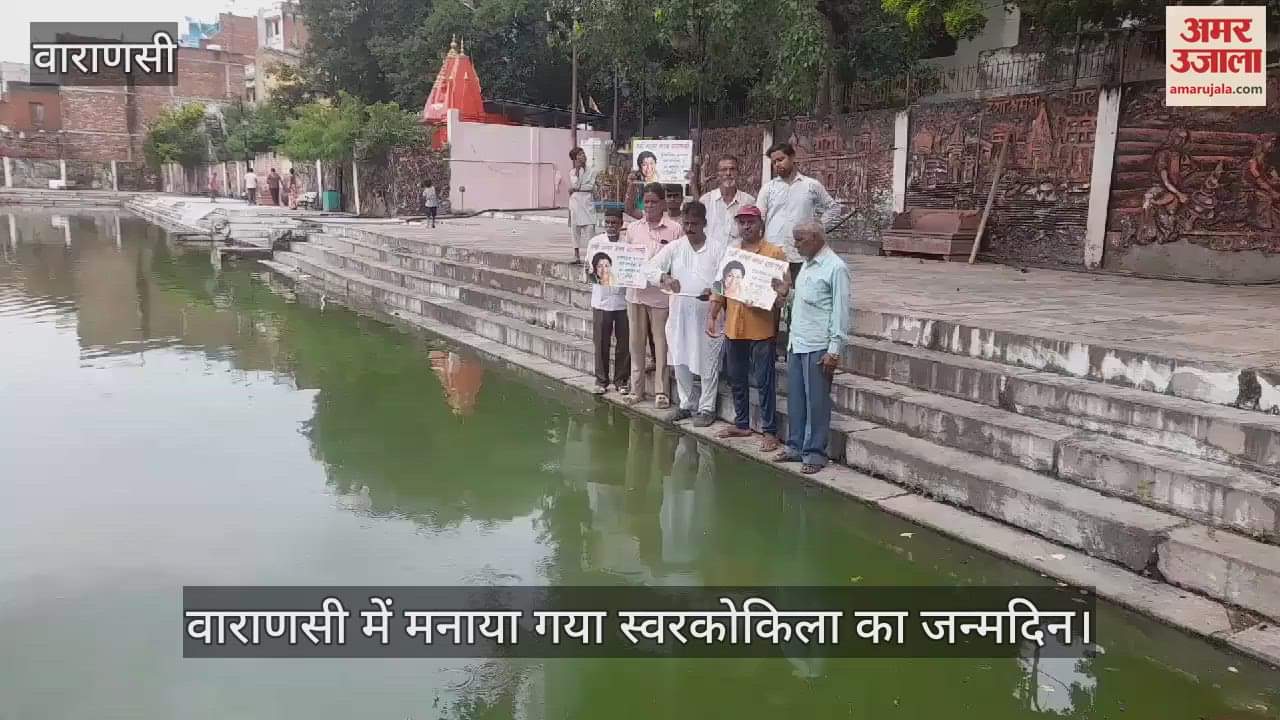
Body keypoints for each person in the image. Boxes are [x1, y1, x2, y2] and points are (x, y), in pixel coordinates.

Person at [771, 222, 850, 474]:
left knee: (817, 402)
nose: (796, 245)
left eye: (800, 239)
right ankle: (795, 445)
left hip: (818, 344)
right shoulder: (806, 263)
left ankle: (816, 452)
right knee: (796, 399)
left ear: (815, 238)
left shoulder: (835, 267)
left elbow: (840, 311)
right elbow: (807, 301)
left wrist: (834, 348)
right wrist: (787, 293)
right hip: (798, 341)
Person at [709, 205, 787, 452]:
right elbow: (720, 287)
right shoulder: (732, 252)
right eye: (742, 222)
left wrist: (778, 293)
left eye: (751, 222)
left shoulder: (774, 253)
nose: (746, 226)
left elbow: (784, 290)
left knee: (765, 381)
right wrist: (712, 314)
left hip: (761, 326)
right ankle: (741, 422)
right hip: (734, 326)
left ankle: (770, 431)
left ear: (760, 224)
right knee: (736, 378)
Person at [647, 200, 727, 427]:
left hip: (709, 313)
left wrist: (713, 291)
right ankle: (686, 404)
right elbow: (650, 268)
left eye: (695, 223)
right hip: (680, 313)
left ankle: (706, 407)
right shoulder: (675, 247)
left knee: (709, 360)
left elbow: (727, 279)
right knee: (680, 357)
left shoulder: (718, 248)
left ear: (704, 223)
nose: (690, 228)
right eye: (687, 223)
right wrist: (665, 278)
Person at [623, 182, 682, 409]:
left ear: (663, 203)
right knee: (636, 343)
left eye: (654, 202)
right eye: (646, 202)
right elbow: (625, 258)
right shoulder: (633, 228)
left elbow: (677, 262)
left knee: (661, 343)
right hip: (635, 294)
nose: (649, 206)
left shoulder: (674, 229)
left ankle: (661, 391)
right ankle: (636, 389)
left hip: (660, 297)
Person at [757, 142, 839, 281]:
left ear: (792, 157)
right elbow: (759, 218)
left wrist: (817, 228)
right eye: (774, 162)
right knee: (773, 298)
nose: (777, 164)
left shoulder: (811, 185)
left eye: (781, 159)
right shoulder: (768, 188)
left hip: (801, 254)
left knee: (800, 296)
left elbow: (834, 208)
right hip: (773, 253)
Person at [588, 209, 631, 395]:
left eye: (614, 223)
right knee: (601, 342)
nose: (611, 226)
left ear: (621, 224)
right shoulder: (595, 242)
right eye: (608, 222)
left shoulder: (628, 244)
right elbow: (589, 269)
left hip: (623, 300)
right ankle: (601, 380)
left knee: (624, 343)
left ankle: (621, 380)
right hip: (601, 300)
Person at [700, 155, 755, 246]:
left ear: (738, 173)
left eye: (732, 169)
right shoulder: (706, 200)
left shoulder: (748, 201)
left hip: (737, 256)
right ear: (718, 174)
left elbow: (753, 233)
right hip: (711, 257)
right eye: (723, 170)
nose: (728, 173)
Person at [569, 147, 599, 264]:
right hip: (575, 203)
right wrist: (577, 171)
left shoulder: (592, 171)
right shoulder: (572, 172)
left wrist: (575, 188)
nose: (583, 156)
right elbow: (575, 183)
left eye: (583, 154)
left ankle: (591, 256)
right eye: (580, 155)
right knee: (575, 229)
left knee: (590, 229)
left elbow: (590, 186)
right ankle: (576, 256)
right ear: (575, 158)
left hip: (587, 202)